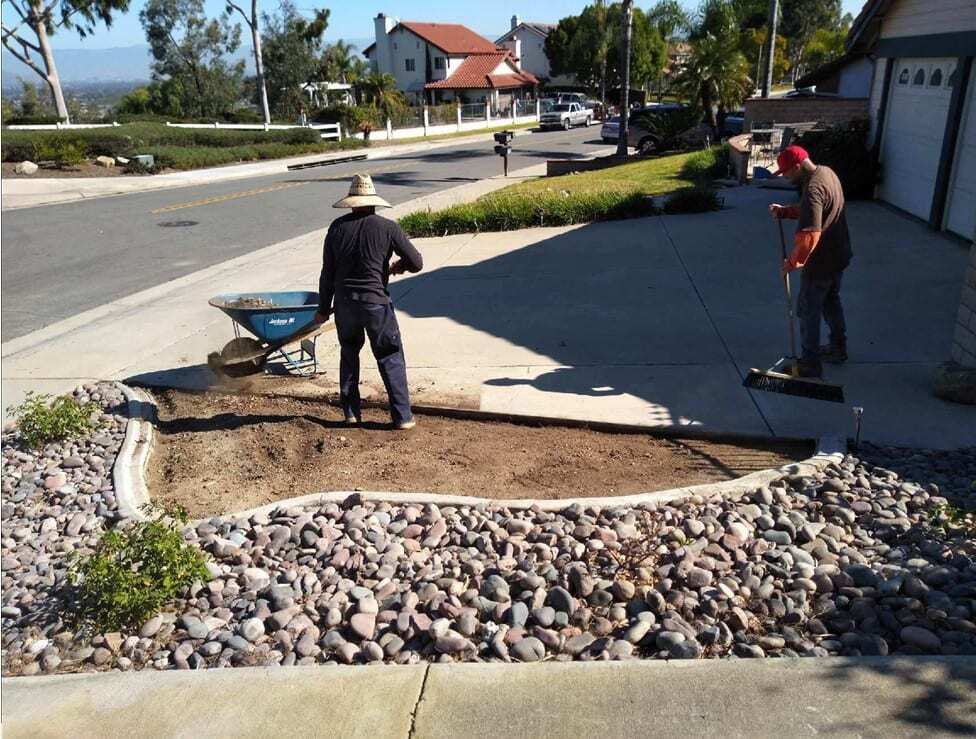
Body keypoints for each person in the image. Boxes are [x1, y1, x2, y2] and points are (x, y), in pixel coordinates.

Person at [315, 174, 423, 429]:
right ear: (374, 202)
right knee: (389, 355)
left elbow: (327, 274)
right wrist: (400, 266)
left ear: (352, 202)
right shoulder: (387, 228)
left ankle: (351, 413)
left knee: (349, 354)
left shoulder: (336, 228)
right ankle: (402, 417)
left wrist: (322, 309)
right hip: (376, 304)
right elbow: (417, 262)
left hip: (345, 306)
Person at [768, 145, 852, 378]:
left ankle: (810, 363)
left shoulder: (813, 188)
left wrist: (792, 262)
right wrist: (786, 212)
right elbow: (815, 210)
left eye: (785, 172)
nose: (785, 177)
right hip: (839, 254)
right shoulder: (825, 172)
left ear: (797, 166)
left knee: (808, 309)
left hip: (822, 261)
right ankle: (838, 347)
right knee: (831, 300)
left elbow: (810, 236)